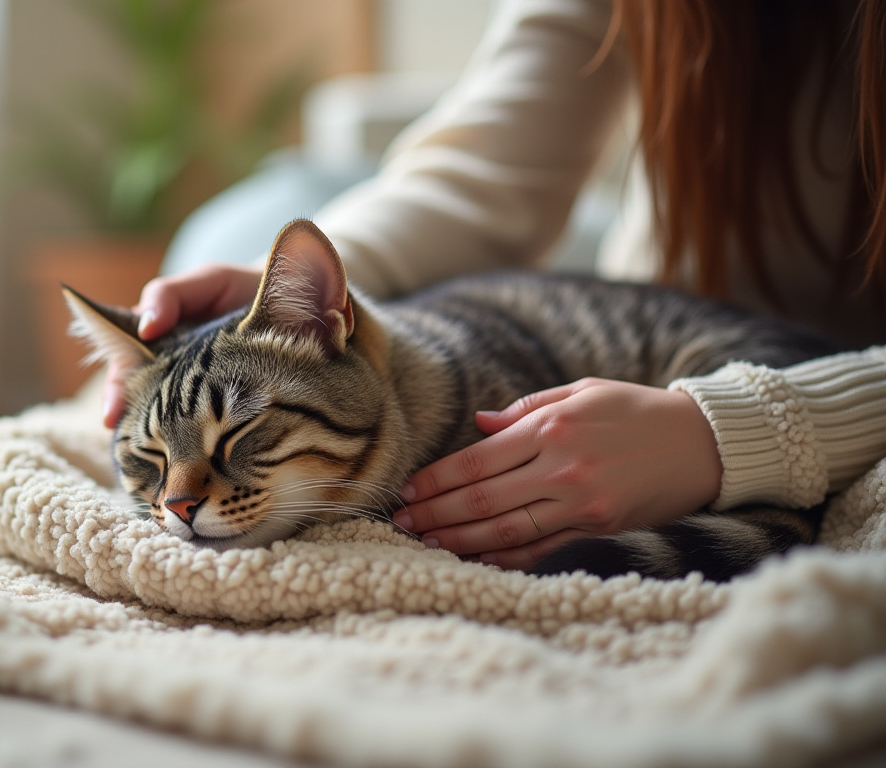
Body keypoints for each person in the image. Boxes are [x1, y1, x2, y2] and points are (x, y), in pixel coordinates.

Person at [101, 0, 886, 571]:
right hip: (621, 300)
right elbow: (485, 170)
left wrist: (724, 435)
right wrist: (302, 287)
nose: (180, 500)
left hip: (797, 375)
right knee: (234, 222)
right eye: (149, 466)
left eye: (232, 445)